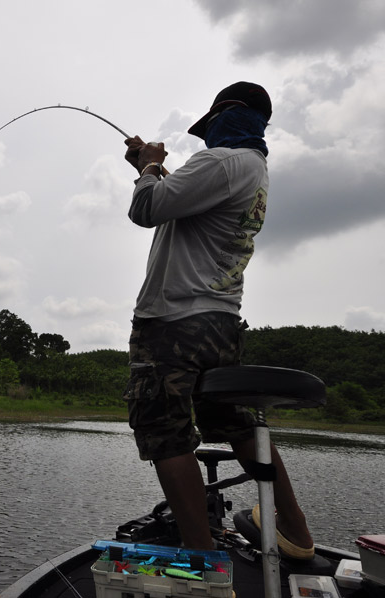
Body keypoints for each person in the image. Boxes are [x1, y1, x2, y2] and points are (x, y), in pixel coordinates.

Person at [121, 81, 314, 559]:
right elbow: (183, 200)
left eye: (211, 127)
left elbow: (145, 208)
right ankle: (297, 533)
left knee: (164, 430)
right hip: (221, 324)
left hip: (173, 322)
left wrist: (148, 167)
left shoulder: (222, 161)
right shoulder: (254, 171)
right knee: (233, 423)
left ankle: (202, 560)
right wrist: (152, 169)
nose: (206, 139)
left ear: (228, 114)